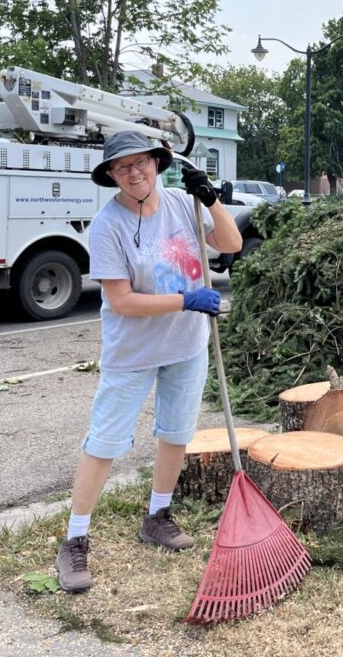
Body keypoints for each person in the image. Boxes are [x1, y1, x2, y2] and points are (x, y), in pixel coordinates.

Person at [55, 131, 242, 593]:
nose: (135, 172)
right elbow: (121, 301)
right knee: (105, 441)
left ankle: (157, 516)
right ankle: (74, 539)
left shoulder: (182, 203)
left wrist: (210, 198)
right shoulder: (107, 225)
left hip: (187, 345)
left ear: (158, 163)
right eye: (124, 167)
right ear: (112, 175)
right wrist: (185, 299)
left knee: (176, 433)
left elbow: (231, 243)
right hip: (132, 353)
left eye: (142, 162)